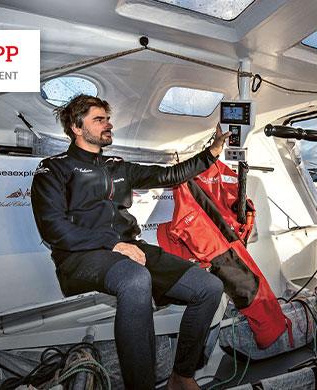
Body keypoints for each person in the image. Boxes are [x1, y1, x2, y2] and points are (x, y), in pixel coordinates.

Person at [31, 94, 228, 389]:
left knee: (209, 287)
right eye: (99, 120)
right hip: (79, 255)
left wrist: (210, 154)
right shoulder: (54, 169)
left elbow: (170, 174)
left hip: (126, 248)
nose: (107, 124)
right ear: (76, 126)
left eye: (108, 119)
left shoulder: (117, 166)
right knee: (135, 279)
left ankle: (182, 375)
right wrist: (112, 244)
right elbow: (53, 229)